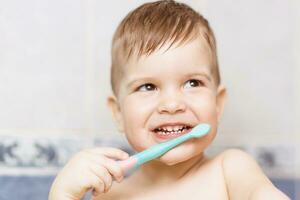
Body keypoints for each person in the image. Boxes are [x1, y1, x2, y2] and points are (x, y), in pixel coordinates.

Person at [49, 1, 290, 199]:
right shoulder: (110, 195)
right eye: (148, 86)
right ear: (118, 113)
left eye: (192, 83)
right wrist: (63, 195)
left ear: (218, 103)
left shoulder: (231, 171)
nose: (172, 105)